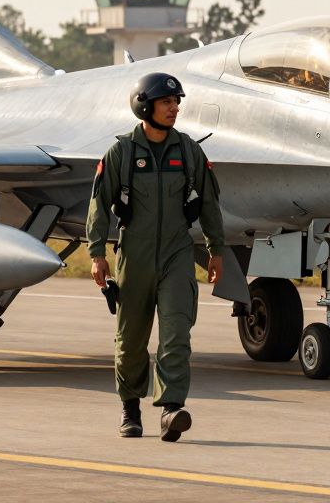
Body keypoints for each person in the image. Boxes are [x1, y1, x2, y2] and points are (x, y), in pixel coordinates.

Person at [86, 72, 226, 442]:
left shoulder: (189, 152)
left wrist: (216, 249)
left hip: (177, 253)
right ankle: (130, 408)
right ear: (144, 106)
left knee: (176, 332)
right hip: (135, 254)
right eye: (167, 103)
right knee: (131, 340)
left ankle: (171, 409)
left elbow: (210, 203)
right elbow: (99, 203)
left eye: (177, 102)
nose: (174, 108)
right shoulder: (122, 153)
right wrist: (97, 253)